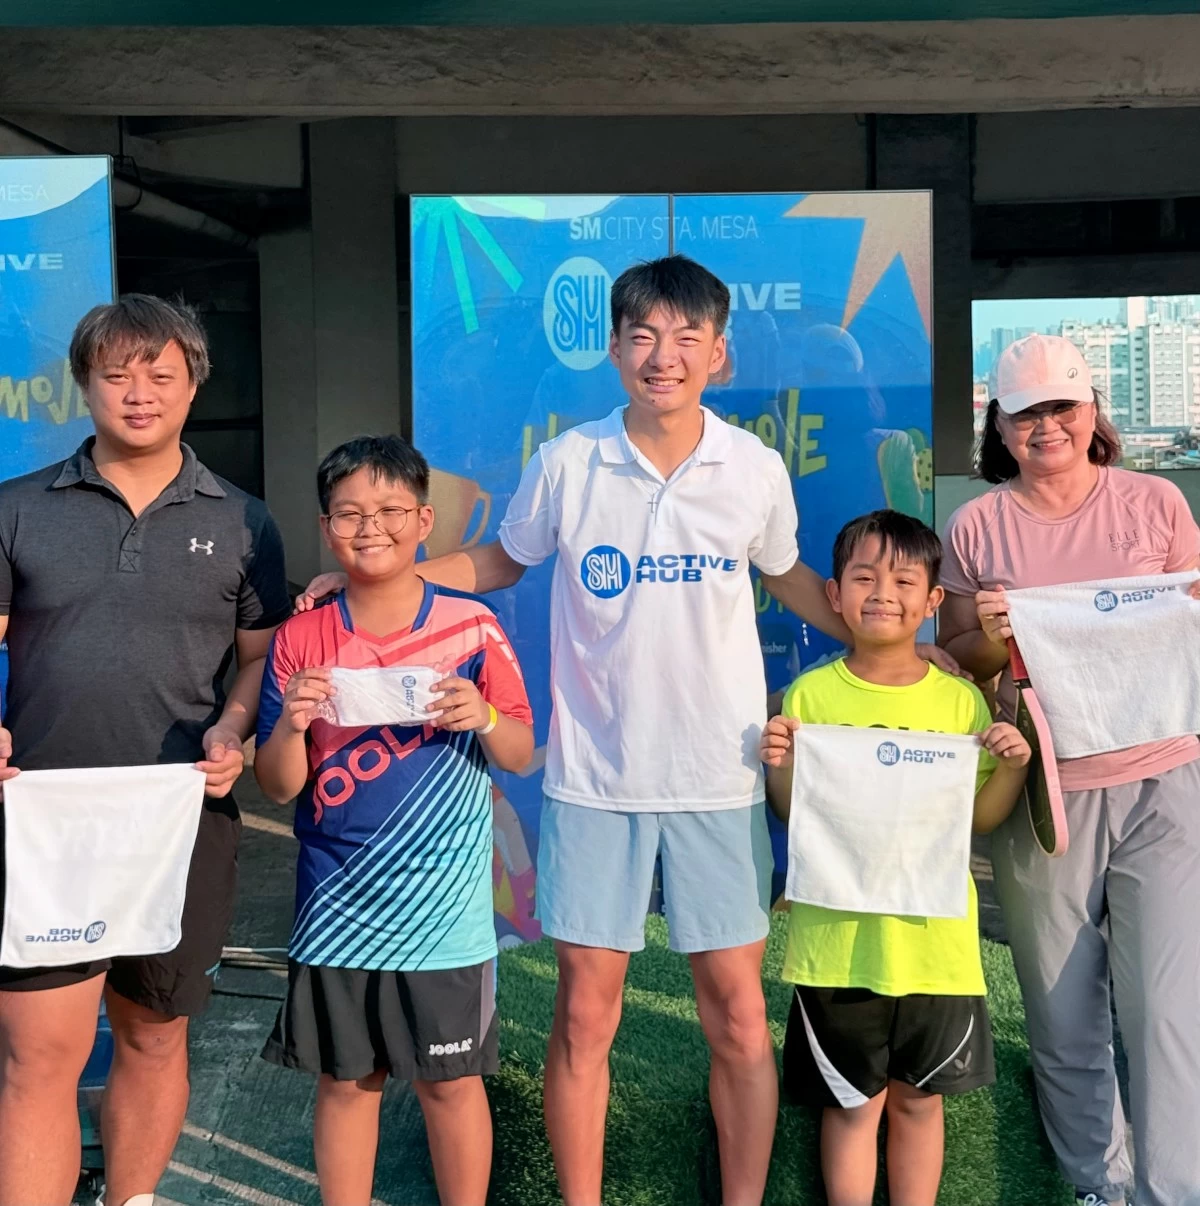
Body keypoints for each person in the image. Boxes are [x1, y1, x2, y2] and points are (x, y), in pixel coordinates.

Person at [298, 255, 957, 1206]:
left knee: (735, 1019)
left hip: (720, 782)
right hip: (592, 783)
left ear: (719, 353)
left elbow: (792, 580)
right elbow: (500, 558)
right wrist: (383, 576)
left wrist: (907, 640)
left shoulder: (755, 469)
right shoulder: (570, 462)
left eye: (687, 337)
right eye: (643, 336)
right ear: (614, 349)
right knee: (584, 1019)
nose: (664, 355)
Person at [0, 295, 291, 1206]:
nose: (139, 393)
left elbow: (256, 664)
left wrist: (233, 731)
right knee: (36, 1055)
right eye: (116, 373)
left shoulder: (247, 522)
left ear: (193, 383)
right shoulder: (16, 509)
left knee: (155, 1035)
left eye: (160, 373)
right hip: (45, 822)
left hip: (181, 821)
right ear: (83, 384)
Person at [938, 332, 1200, 1206]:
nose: (1047, 425)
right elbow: (959, 657)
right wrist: (993, 634)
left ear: (1094, 413)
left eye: (1064, 406)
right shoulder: (976, 525)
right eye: (1027, 414)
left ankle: (1173, 1189)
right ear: (1000, 427)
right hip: (1041, 797)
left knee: (1165, 1009)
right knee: (1061, 1012)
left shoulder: (1157, 505)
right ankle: (1098, 1185)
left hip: (1163, 780)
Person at [255, 435, 534, 1206]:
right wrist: (289, 728)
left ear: (423, 520)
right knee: (349, 1084)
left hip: (445, 918)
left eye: (388, 511)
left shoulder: (473, 628)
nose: (368, 527)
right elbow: (277, 787)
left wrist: (480, 715)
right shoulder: (300, 637)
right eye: (349, 513)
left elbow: (518, 749)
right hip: (336, 910)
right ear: (324, 527)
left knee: (450, 1085)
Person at [760, 509, 1030, 1206]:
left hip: (936, 947)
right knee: (851, 1107)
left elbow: (980, 820)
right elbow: (794, 812)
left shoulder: (962, 703)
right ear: (834, 593)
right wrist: (781, 763)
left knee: (918, 1103)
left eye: (904, 579)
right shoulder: (810, 696)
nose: (883, 592)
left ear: (934, 600)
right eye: (864, 577)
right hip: (837, 950)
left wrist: (1011, 767)